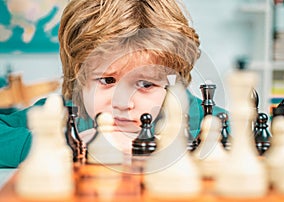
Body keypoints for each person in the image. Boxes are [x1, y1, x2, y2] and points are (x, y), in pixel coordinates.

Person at [0, 0, 226, 168]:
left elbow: (244, 128)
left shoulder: (190, 112)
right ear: (79, 77)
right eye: (107, 81)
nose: (123, 103)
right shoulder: (65, 114)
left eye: (146, 84)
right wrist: (59, 144)